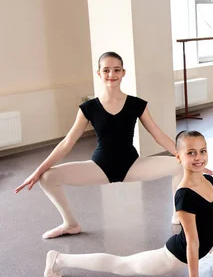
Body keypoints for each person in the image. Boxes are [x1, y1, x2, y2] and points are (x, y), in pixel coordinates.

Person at [44, 130, 213, 277]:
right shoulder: (184, 195)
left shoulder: (210, 181)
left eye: (202, 151)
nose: (198, 157)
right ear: (178, 157)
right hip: (176, 255)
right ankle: (60, 259)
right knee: (122, 265)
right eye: (191, 153)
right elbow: (192, 242)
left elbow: (211, 215)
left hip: (207, 241)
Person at [15, 52, 200, 238]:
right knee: (47, 178)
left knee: (180, 166)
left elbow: (158, 134)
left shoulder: (137, 104)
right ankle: (70, 224)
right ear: (99, 73)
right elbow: (67, 142)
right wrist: (38, 171)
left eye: (116, 70)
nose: (111, 74)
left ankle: (178, 213)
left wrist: (188, 160)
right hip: (100, 167)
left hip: (132, 166)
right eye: (106, 70)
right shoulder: (88, 108)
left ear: (123, 73)